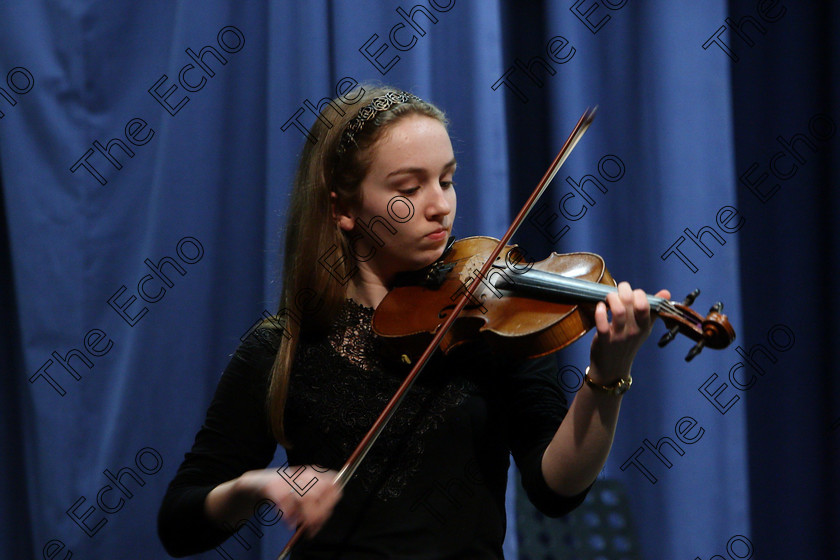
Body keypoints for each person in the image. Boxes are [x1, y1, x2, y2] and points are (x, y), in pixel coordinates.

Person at [157, 85, 670, 559]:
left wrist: (607, 375)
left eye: (447, 180)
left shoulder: (491, 321)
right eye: (410, 188)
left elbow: (555, 490)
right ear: (343, 207)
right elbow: (180, 525)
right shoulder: (284, 345)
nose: (440, 207)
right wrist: (257, 485)